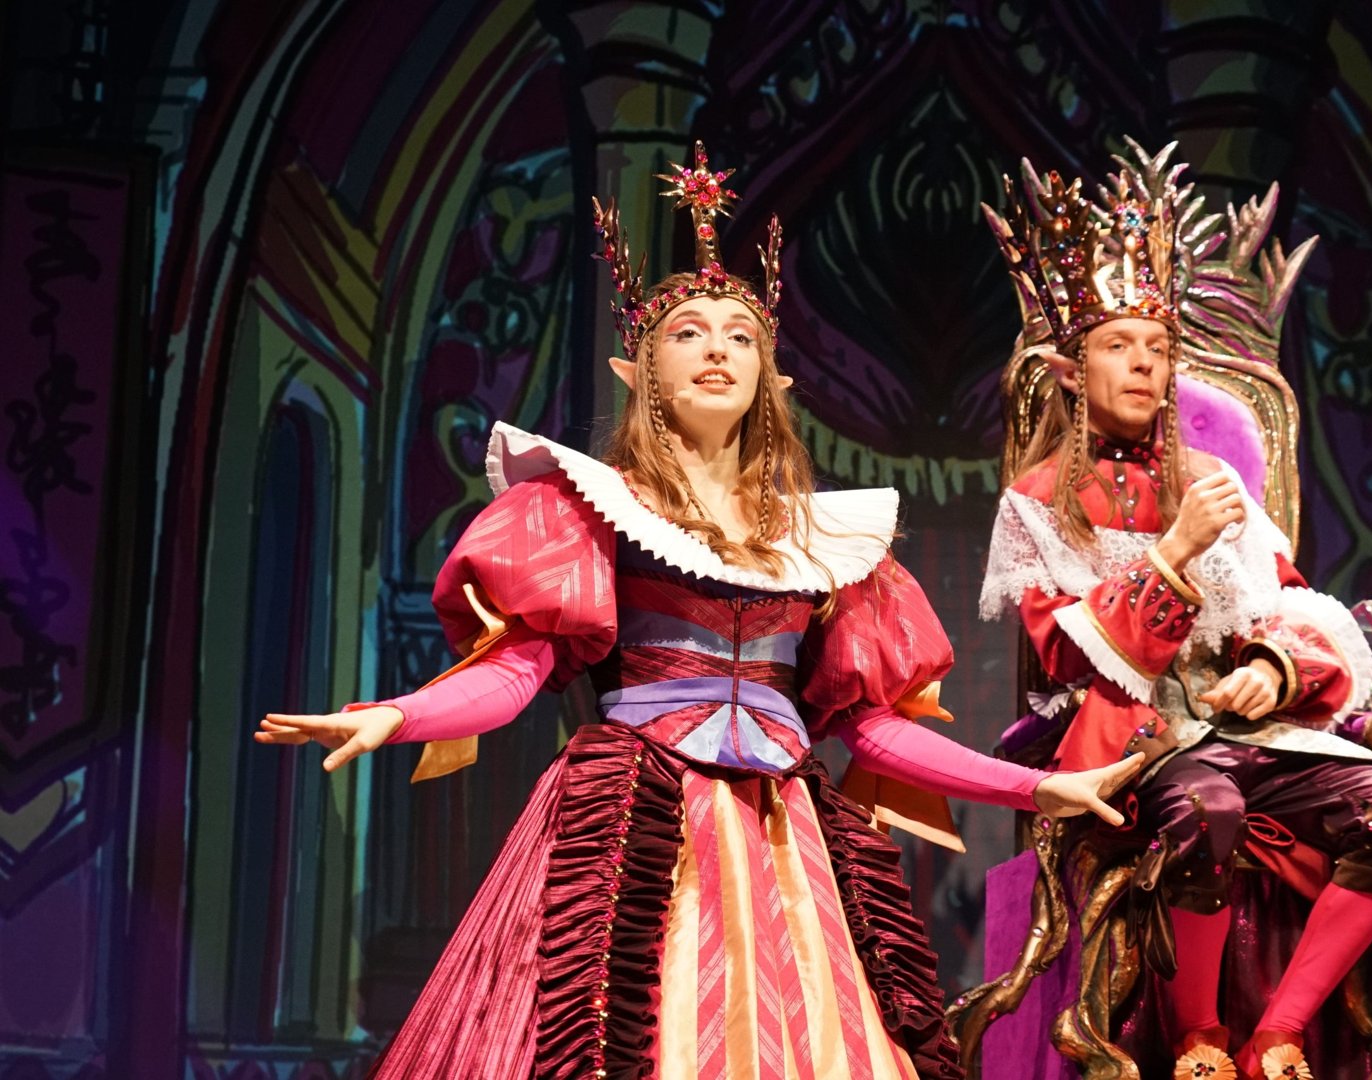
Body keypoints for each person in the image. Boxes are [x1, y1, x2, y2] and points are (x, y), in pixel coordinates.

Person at [257, 143, 1141, 1079]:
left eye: (739, 336)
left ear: (772, 377)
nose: (716, 348)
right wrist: (395, 716)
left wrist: (1034, 790)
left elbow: (869, 728)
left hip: (782, 826)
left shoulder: (828, 539)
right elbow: (516, 671)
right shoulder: (586, 505)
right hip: (637, 811)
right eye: (687, 332)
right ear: (637, 371)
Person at [977, 143, 1372, 1080]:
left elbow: (1292, 602)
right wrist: (1174, 550)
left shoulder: (1212, 476)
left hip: (1248, 727)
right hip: (1134, 737)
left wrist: (1273, 667)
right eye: (1118, 346)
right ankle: (1199, 1035)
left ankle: (1279, 1033)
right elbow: (1066, 657)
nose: (1143, 366)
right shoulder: (1037, 501)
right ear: (1069, 370)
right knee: (1206, 807)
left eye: (1157, 350)